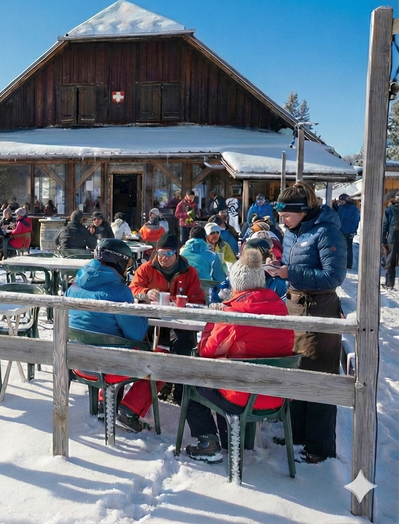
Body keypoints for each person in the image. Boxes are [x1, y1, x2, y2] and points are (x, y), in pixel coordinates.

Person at [181, 248, 294, 463]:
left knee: (193, 380)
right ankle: (229, 440)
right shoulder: (281, 308)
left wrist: (212, 321)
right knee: (228, 378)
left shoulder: (234, 314)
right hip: (277, 394)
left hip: (244, 395)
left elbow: (208, 352)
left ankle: (208, 442)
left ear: (236, 284)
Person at [267, 181, 346, 463]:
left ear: (303, 210)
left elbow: (334, 277)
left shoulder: (327, 233)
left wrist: (291, 273)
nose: (282, 220)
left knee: (319, 377)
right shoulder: (292, 233)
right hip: (295, 307)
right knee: (297, 369)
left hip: (319, 310)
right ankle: (298, 432)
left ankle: (320, 446)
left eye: (287, 214)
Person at [67, 239, 156, 433]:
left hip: (76, 362)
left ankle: (105, 404)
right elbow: (136, 333)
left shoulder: (73, 285)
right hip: (108, 367)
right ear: (120, 262)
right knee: (158, 359)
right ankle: (128, 410)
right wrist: (142, 312)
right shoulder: (119, 291)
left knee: (111, 342)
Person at [130, 234, 205, 357]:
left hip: (180, 321)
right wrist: (146, 293)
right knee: (138, 332)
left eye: (169, 253)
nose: (164, 257)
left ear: (177, 253)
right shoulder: (146, 269)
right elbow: (133, 288)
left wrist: (179, 302)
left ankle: (179, 368)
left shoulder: (190, 273)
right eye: (160, 253)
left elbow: (198, 301)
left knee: (184, 340)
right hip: (152, 319)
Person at [180, 226, 226, 302]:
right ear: (205, 238)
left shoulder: (181, 252)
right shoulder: (212, 255)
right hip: (205, 294)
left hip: (183, 291)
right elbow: (220, 279)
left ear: (190, 237)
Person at [334, 194, 359, 269]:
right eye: (340, 200)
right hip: (340, 230)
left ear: (347, 200)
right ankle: (339, 263)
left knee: (348, 248)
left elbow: (355, 220)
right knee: (339, 247)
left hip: (348, 231)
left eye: (343, 200)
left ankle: (349, 264)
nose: (341, 202)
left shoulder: (353, 208)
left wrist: (353, 231)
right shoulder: (341, 207)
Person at [382, 194, 399, 288]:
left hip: (392, 238)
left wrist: (383, 240)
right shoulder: (390, 209)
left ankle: (389, 283)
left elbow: (385, 226)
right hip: (392, 238)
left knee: (390, 262)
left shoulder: (390, 209)